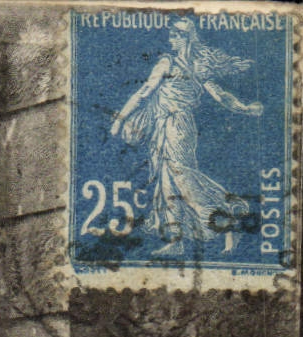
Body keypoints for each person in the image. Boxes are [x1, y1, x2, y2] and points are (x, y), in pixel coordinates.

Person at [109, 17, 264, 256]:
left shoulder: (172, 63)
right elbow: (218, 95)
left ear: (185, 38)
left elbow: (144, 93)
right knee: (167, 180)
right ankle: (177, 239)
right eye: (171, 35)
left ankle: (230, 219)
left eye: (175, 35)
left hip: (177, 127)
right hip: (165, 125)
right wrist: (243, 108)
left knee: (182, 178)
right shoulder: (186, 65)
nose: (170, 39)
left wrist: (120, 119)